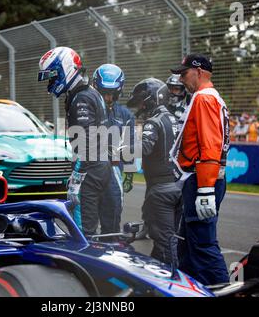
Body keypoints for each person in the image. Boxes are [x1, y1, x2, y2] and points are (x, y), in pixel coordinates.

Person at [38, 46, 113, 236]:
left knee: (82, 230)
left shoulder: (81, 98)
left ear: (66, 69)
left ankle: (85, 262)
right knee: (89, 224)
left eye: (54, 76)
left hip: (90, 169)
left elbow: (86, 143)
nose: (52, 82)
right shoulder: (90, 92)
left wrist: (76, 178)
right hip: (100, 166)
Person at [169, 54, 230, 285]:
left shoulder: (204, 98)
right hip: (205, 178)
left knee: (203, 245)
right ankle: (187, 288)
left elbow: (210, 145)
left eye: (184, 73)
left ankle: (223, 290)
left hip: (202, 180)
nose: (181, 78)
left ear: (199, 72)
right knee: (187, 243)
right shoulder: (213, 98)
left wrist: (205, 188)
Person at [127, 77, 182, 264]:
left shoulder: (154, 121)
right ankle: (156, 276)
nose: (140, 106)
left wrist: (118, 150)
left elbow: (145, 148)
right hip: (177, 186)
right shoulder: (174, 119)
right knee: (164, 242)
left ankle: (174, 285)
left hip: (160, 190)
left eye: (142, 101)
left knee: (165, 242)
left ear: (151, 99)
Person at [92, 63, 136, 233]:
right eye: (104, 93)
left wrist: (130, 175)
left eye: (112, 94)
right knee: (86, 223)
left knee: (112, 222)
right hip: (91, 172)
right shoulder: (88, 110)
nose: (108, 98)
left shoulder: (125, 115)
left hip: (114, 171)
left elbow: (130, 147)